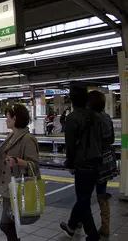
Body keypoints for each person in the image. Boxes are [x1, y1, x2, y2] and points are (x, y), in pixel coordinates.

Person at [60, 85, 103, 241]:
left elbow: (70, 146)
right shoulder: (97, 116)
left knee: (83, 201)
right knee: (83, 199)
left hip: (82, 165)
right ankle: (73, 228)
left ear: (72, 100)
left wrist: (70, 164)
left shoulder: (72, 118)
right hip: (96, 163)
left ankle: (91, 235)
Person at [0, 104, 40, 241]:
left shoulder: (27, 139)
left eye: (7, 117)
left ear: (15, 119)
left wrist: (17, 161)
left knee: (5, 225)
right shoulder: (12, 135)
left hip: (18, 188)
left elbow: (34, 165)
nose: (6, 120)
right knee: (8, 224)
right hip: (9, 187)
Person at [87, 90, 115, 238]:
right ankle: (106, 225)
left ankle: (78, 220)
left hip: (95, 161)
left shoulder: (91, 119)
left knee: (84, 193)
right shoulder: (107, 117)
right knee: (102, 193)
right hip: (107, 160)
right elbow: (111, 139)